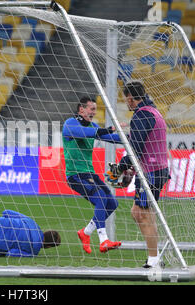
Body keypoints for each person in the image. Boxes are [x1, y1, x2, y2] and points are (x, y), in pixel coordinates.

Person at [107, 81, 170, 268]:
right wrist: (130, 169)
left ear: (130, 98)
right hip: (156, 169)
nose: (126, 101)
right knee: (139, 212)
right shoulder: (153, 111)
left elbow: (135, 148)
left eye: (126, 98)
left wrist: (121, 168)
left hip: (150, 171)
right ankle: (155, 256)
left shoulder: (141, 116)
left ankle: (154, 260)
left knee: (142, 214)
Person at [62, 96, 123, 254]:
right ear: (81, 109)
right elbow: (83, 133)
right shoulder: (70, 124)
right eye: (91, 109)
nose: (94, 112)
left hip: (90, 173)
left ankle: (86, 232)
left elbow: (110, 138)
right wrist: (108, 129)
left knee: (112, 203)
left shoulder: (94, 126)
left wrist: (129, 139)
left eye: (95, 109)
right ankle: (103, 240)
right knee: (101, 199)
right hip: (75, 175)